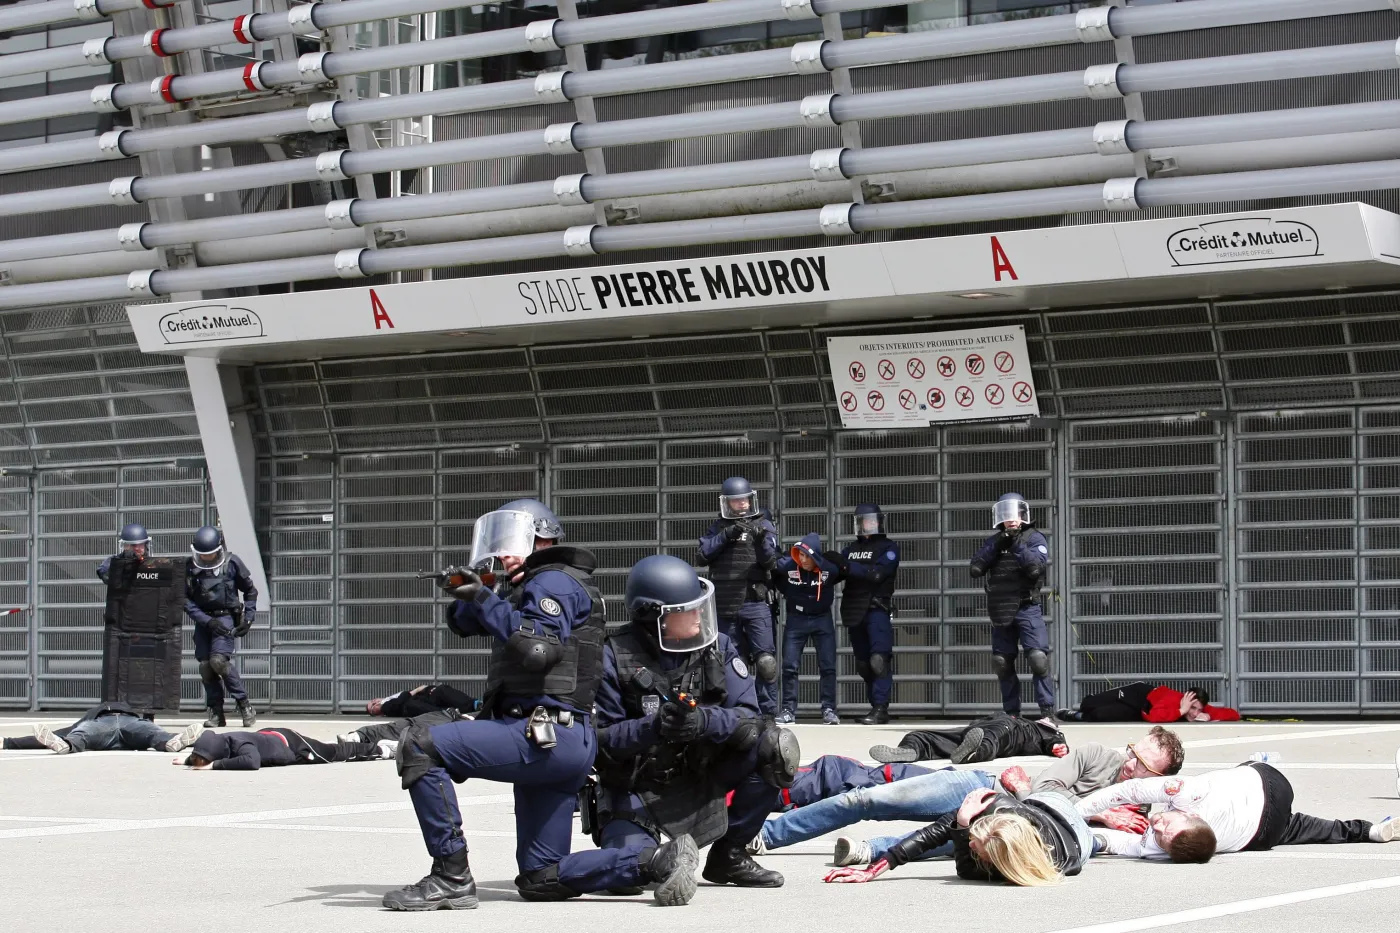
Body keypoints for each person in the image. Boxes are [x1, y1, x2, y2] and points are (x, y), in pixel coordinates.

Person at [384, 499, 606, 912]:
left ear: (542, 539)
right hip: (560, 739)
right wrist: (475, 588)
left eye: (513, 540)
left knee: (420, 744)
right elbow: (461, 624)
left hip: (543, 736)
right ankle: (652, 861)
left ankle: (450, 876)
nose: (503, 551)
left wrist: (485, 597)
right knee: (542, 877)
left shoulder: (552, 583)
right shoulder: (528, 585)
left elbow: (539, 651)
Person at [549, 554, 796, 904]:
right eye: (687, 611)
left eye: (699, 607)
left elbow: (749, 718)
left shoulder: (718, 646)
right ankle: (652, 852)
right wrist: (654, 727)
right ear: (654, 618)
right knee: (626, 877)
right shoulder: (611, 655)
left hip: (700, 773)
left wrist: (703, 722)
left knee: (775, 745)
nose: (698, 618)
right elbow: (599, 741)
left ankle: (731, 855)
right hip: (638, 788)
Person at [772, 726, 1183, 864]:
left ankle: (868, 852)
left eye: (1142, 765)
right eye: (1133, 752)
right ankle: (766, 835)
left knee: (973, 844)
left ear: (1158, 775)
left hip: (1010, 824)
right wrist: (1099, 814)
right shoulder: (1097, 757)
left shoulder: (1145, 808)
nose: (1129, 765)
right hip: (984, 789)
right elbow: (1041, 789)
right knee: (867, 797)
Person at [1077, 762, 1398, 863]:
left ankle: (1363, 830)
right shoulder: (1184, 806)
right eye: (1162, 834)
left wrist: (1076, 815)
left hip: (1259, 829)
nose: (1157, 824)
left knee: (1301, 827)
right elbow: (1124, 814)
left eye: (1162, 825)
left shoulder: (1185, 797)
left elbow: (1126, 797)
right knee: (1295, 823)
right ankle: (1368, 831)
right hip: (1268, 797)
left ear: (1192, 815)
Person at [824, 784, 1093, 886]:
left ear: (1004, 861)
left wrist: (963, 829)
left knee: (1097, 842)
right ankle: (1023, 790)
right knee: (1043, 788)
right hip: (1042, 804)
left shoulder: (1059, 863)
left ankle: (1102, 834)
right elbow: (931, 835)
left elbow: (966, 871)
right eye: (973, 835)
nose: (969, 843)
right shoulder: (991, 807)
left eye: (976, 846)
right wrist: (874, 870)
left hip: (1075, 835)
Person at [697, 477, 780, 716]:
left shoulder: (762, 525)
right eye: (736, 501)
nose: (741, 504)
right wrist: (728, 535)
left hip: (754, 602)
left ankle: (768, 714)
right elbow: (702, 555)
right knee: (733, 664)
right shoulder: (718, 527)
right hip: (724, 604)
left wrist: (760, 538)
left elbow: (769, 561)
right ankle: (740, 711)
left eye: (744, 499)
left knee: (766, 663)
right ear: (727, 503)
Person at [971, 492, 1053, 719]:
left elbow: (1035, 568)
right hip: (1001, 609)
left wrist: (1015, 544)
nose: (1012, 519)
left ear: (1023, 515)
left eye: (1016, 514)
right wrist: (998, 544)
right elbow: (975, 569)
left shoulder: (1034, 538)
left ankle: (1047, 712)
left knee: (1038, 659)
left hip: (1027, 607)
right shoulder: (994, 541)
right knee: (1001, 662)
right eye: (1007, 514)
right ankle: (1012, 714)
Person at [184, 525, 259, 728]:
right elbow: (184, 600)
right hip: (204, 621)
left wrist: (248, 618)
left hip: (225, 617)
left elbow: (250, 591)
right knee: (206, 667)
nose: (207, 559)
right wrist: (206, 621)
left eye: (210, 555)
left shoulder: (232, 563)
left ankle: (244, 704)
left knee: (219, 661)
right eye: (203, 555)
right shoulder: (189, 568)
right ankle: (216, 712)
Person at [833, 504, 899, 725]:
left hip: (877, 609)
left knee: (878, 660)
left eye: (872, 521)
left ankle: (881, 708)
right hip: (854, 609)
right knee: (863, 664)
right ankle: (874, 705)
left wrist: (846, 567)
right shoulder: (850, 549)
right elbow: (836, 572)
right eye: (865, 521)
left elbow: (877, 574)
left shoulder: (888, 547)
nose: (868, 524)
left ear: (879, 522)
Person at [772, 533, 841, 724]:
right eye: (799, 555)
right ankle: (787, 710)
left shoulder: (829, 569)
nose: (802, 560)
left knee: (828, 666)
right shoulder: (787, 566)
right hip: (796, 619)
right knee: (789, 666)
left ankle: (829, 709)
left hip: (822, 618)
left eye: (807, 556)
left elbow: (843, 570)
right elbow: (773, 570)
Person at [869, 712, 1068, 765]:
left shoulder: (1039, 727)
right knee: (924, 736)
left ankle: (974, 753)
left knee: (990, 737)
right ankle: (912, 749)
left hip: (1011, 731)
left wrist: (1059, 746)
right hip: (976, 728)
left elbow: (1056, 741)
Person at [8, 702, 202, 754]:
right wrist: (7, 742)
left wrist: (7, 743)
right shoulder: (96, 713)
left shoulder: (92, 715)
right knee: (154, 733)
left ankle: (173, 742)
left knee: (81, 733)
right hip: (121, 723)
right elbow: (62, 732)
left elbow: (64, 731)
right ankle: (171, 742)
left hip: (108, 725)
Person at [176, 727, 390, 770]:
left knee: (333, 753)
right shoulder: (224, 739)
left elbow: (252, 762)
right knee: (332, 751)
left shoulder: (241, 744)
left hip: (294, 744)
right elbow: (208, 749)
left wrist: (215, 766)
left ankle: (380, 749)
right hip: (271, 735)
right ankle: (374, 747)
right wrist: (187, 760)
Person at [1059, 682, 1240, 723]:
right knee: (1088, 704)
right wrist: (1180, 710)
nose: (1193, 713)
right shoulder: (1174, 700)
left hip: (1140, 711)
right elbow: (1155, 716)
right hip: (1139, 695)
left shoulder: (1198, 707)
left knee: (1100, 715)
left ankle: (1075, 716)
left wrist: (1207, 716)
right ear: (1186, 699)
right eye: (1192, 707)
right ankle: (1089, 702)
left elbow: (1232, 713)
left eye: (1197, 709)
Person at [339, 706, 475, 747]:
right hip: (451, 714)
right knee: (408, 723)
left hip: (464, 723)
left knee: (419, 732)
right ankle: (360, 736)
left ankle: (398, 746)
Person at [365, 683, 480, 718]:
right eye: (373, 707)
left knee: (441, 690)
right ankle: (451, 714)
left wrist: (429, 689)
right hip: (413, 705)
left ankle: (474, 705)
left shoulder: (390, 697)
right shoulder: (386, 707)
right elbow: (399, 702)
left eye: (373, 701)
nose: (376, 703)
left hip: (424, 698)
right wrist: (415, 690)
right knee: (412, 705)